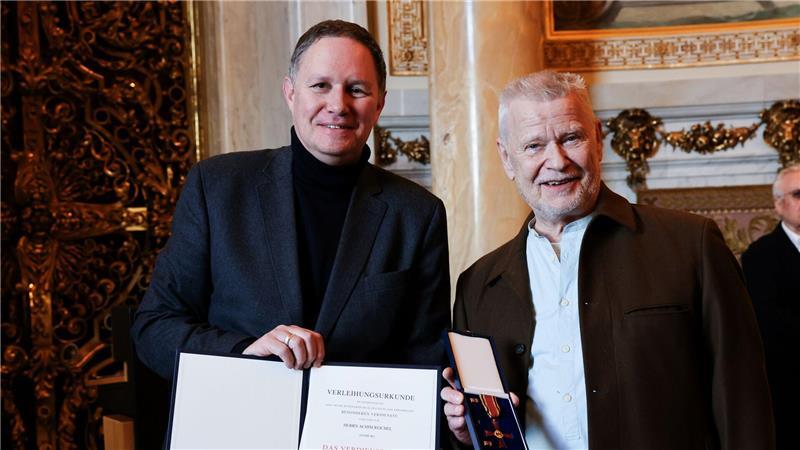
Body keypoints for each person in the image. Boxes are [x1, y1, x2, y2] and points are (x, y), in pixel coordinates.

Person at [440, 70, 774, 449]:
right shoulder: (477, 284)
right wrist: (467, 433)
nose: (557, 161)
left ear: (597, 139)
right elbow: (485, 428)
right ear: (507, 157)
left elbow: (742, 401)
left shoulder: (691, 244)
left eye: (571, 138)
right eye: (533, 145)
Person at [132, 20, 450, 380]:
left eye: (357, 90)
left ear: (379, 105)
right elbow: (154, 328)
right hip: (237, 424)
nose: (338, 105)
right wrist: (243, 352)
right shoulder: (217, 186)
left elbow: (426, 361)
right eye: (320, 86)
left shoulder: (418, 214)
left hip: (356, 434)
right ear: (290, 93)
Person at [741, 164, 800, 450]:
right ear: (779, 204)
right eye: (799, 194)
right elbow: (769, 326)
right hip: (787, 384)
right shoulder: (760, 256)